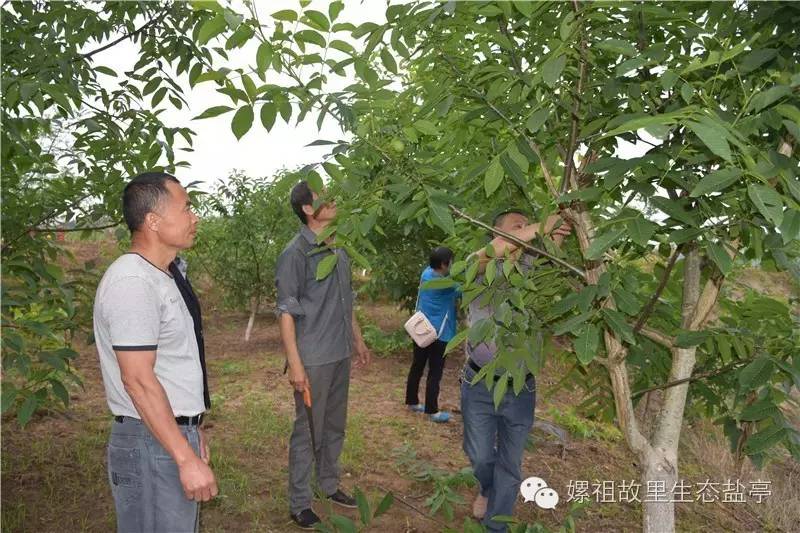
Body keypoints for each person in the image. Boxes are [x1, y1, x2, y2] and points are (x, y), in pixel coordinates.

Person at [94, 172, 217, 533]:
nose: (195, 217)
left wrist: (191, 427)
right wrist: (182, 454)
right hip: (151, 443)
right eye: (187, 208)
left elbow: (172, 367)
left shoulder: (163, 276)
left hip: (164, 436)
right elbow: (137, 378)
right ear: (153, 221)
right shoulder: (133, 281)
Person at [461, 209, 571, 532]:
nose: (526, 231)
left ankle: (497, 525)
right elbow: (492, 252)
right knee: (480, 455)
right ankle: (485, 486)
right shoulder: (479, 267)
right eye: (516, 227)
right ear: (494, 233)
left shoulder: (534, 274)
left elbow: (556, 265)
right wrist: (540, 226)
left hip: (522, 387)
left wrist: (557, 238)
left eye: (528, 226)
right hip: (480, 382)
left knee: (511, 465)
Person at [275, 181, 373, 530]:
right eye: (323, 197)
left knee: (334, 424)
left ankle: (328, 485)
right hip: (312, 356)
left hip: (339, 351)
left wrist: (357, 341)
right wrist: (295, 364)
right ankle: (300, 502)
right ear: (306, 209)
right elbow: (286, 310)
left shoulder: (339, 248)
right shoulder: (296, 252)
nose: (333, 201)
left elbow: (346, 301)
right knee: (307, 431)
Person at [404, 246, 460, 423]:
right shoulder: (446, 285)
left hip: (421, 330)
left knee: (417, 366)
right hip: (438, 335)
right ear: (444, 264)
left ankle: (412, 401)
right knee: (435, 373)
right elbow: (464, 289)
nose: (453, 264)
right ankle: (432, 411)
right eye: (451, 262)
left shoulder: (426, 274)